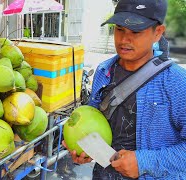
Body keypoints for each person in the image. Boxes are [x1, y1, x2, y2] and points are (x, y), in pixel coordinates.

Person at [62, 0, 186, 179]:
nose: (124, 39)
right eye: (119, 29)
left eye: (136, 31)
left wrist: (144, 162)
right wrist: (86, 151)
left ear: (158, 32)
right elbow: (94, 129)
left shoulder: (176, 82)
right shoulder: (104, 72)